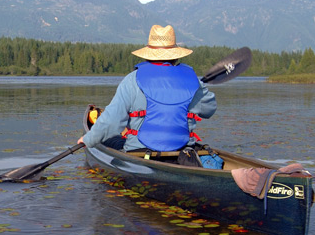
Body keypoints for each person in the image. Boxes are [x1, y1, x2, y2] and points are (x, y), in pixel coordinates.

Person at [79, 25, 216, 154]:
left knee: (109, 139)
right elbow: (209, 110)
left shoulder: (132, 79)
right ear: (177, 55)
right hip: (184, 151)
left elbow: (111, 121)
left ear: (147, 54)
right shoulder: (193, 81)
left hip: (139, 151)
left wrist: (88, 139)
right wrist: (200, 89)